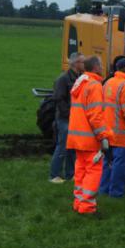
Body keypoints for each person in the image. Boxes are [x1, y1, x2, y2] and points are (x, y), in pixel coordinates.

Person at [66, 56, 112, 215]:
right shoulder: (95, 85)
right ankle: (87, 207)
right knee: (93, 172)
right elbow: (95, 116)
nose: (103, 68)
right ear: (96, 67)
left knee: (80, 171)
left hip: (77, 138)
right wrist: (103, 137)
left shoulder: (80, 83)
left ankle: (78, 203)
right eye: (101, 65)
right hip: (90, 139)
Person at [99, 58, 125, 198]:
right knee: (119, 164)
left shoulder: (108, 83)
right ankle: (116, 193)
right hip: (122, 135)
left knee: (107, 162)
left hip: (108, 132)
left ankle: (103, 189)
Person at [48, 52, 85, 183]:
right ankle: (54, 175)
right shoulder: (63, 79)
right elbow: (59, 99)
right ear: (75, 63)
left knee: (72, 147)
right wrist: (69, 114)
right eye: (82, 62)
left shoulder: (80, 78)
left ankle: (71, 174)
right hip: (65, 119)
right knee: (62, 146)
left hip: (74, 119)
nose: (84, 64)